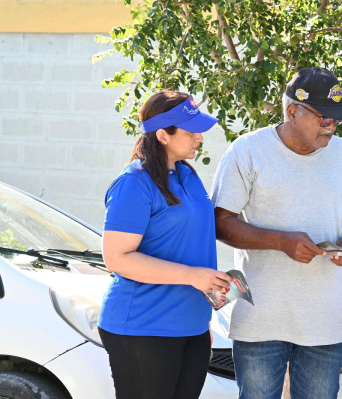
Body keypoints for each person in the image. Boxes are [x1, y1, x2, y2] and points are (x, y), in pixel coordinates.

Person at [210, 67, 342, 399]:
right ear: (291, 111)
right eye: (323, 117)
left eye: (336, 119)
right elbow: (219, 222)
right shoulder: (248, 151)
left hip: (324, 322)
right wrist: (281, 242)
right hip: (261, 319)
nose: (331, 126)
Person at [97, 91, 233, 399]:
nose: (200, 137)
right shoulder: (134, 182)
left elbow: (186, 244)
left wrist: (208, 286)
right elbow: (117, 258)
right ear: (162, 135)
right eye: (191, 131)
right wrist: (191, 276)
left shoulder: (188, 175)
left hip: (193, 326)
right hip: (144, 327)